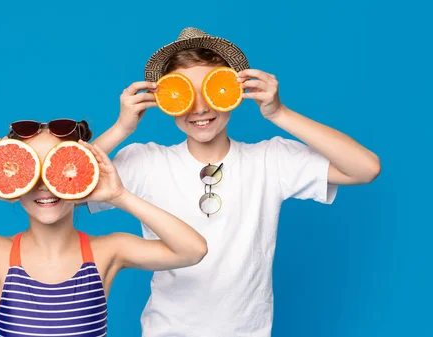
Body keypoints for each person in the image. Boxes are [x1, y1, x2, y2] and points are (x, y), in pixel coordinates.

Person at [88, 27, 381, 337]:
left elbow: (365, 169)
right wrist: (121, 128)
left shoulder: (270, 160)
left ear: (234, 93)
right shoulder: (146, 162)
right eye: (186, 94)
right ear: (166, 101)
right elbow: (64, 188)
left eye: (211, 90)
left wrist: (279, 113)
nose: (200, 108)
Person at [0, 118, 208, 337]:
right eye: (31, 172)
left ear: (80, 176)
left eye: (58, 170)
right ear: (12, 182)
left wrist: (118, 195)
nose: (45, 186)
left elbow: (192, 250)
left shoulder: (108, 250)